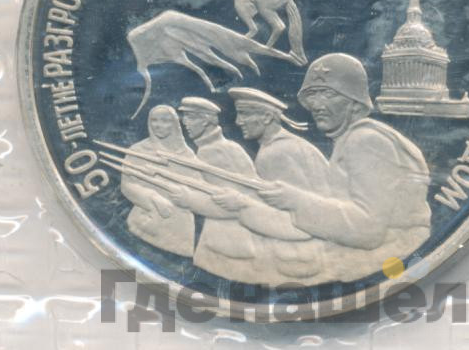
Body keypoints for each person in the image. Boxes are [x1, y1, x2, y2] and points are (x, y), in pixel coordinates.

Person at [258, 53, 432, 283]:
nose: (316, 105)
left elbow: (367, 230)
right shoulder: (351, 140)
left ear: (354, 101)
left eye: (328, 94)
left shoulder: (366, 141)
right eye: (312, 95)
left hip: (391, 257)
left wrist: (295, 200)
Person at [213, 87, 331, 286]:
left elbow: (298, 220)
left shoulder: (275, 153)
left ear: (267, 117)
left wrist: (241, 204)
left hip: (298, 261)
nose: (238, 121)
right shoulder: (291, 145)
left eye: (244, 114)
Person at [169, 97, 261, 283]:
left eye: (190, 117)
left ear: (205, 120)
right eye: (184, 117)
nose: (184, 123)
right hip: (231, 240)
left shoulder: (212, 152)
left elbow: (234, 204)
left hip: (227, 244)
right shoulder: (227, 147)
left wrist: (188, 200)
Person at [120, 104, 198, 257]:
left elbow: (198, 187)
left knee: (176, 265)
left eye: (165, 120)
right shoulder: (138, 150)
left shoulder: (187, 154)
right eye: (154, 120)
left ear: (174, 124)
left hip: (180, 228)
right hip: (147, 222)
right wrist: (153, 197)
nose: (158, 125)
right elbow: (127, 185)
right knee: (134, 263)